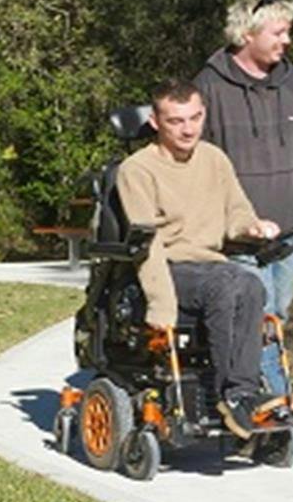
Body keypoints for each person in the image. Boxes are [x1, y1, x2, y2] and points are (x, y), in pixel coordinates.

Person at [115, 80, 280, 438]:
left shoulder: (214, 159)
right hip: (171, 266)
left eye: (194, 118)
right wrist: (161, 304)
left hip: (211, 263)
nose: (188, 129)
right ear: (156, 122)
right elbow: (147, 245)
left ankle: (241, 393)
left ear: (204, 115)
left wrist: (252, 227)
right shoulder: (137, 170)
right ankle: (236, 395)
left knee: (249, 284)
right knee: (226, 284)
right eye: (175, 121)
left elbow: (236, 212)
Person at [197, 0, 293, 404]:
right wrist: (229, 220)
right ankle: (271, 404)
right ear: (247, 34)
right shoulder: (208, 87)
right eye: (278, 31)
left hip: (290, 234)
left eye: (287, 30)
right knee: (257, 317)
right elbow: (198, 161)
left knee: (278, 316)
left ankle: (252, 398)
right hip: (239, 238)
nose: (287, 39)